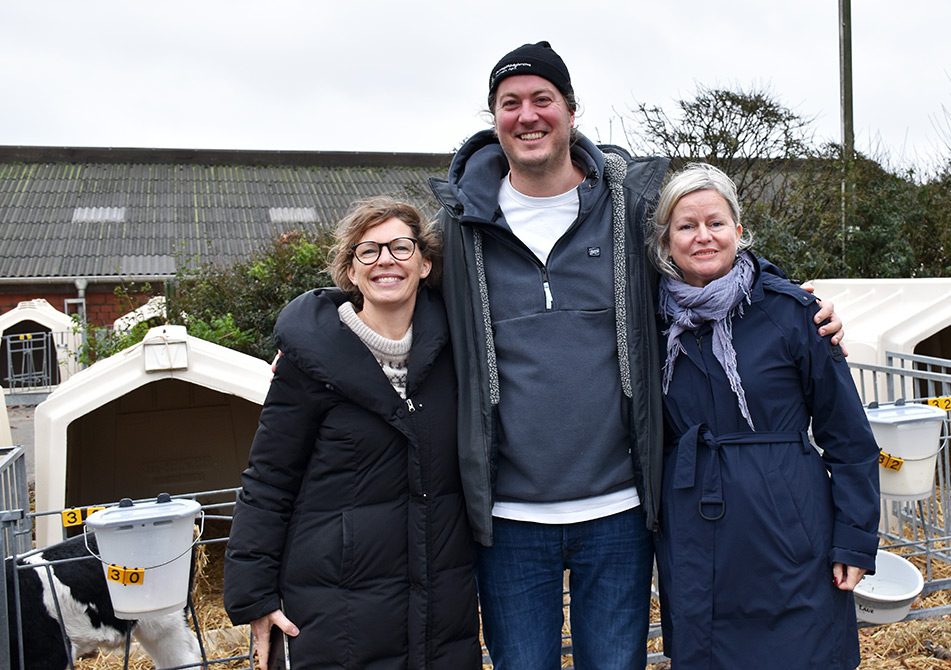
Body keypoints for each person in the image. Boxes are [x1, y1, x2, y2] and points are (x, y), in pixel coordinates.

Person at [428, 42, 844, 669]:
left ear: (571, 110)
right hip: (508, 514)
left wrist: (793, 296)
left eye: (544, 99)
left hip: (619, 511)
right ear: (493, 119)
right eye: (510, 103)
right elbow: (390, 284)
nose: (528, 115)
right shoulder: (457, 227)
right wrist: (324, 331)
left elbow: (706, 251)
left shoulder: (628, 208)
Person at [223, 196, 479, 670]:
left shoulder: (458, 354)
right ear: (350, 270)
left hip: (440, 603)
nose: (386, 260)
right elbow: (269, 479)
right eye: (369, 251)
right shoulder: (310, 361)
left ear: (425, 264)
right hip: (334, 605)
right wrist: (254, 594)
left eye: (402, 248)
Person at [648, 162, 880, 669]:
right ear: (667, 242)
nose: (703, 237)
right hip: (693, 523)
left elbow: (847, 435)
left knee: (803, 651)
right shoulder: (648, 321)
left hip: (788, 524)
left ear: (739, 230)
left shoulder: (794, 312)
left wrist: (856, 539)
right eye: (687, 226)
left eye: (716, 222)